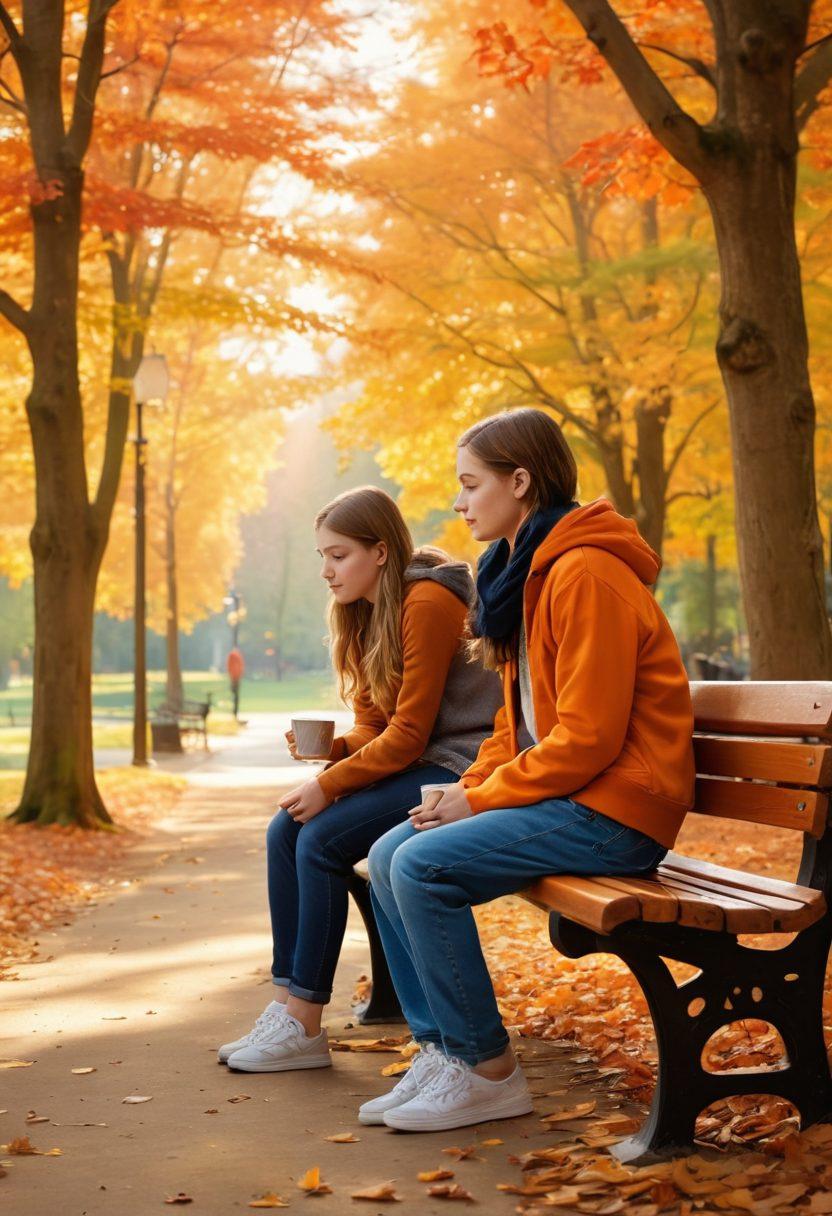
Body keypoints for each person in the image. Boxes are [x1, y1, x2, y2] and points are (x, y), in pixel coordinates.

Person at [364, 408, 696, 1132]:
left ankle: (487, 1071)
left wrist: (482, 803)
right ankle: (444, 1051)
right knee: (389, 852)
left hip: (619, 809)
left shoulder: (584, 573)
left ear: (520, 481)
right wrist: (467, 787)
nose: (459, 502)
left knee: (421, 866)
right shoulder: (523, 574)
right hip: (578, 796)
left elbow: (589, 739)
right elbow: (515, 727)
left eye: (470, 484)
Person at [218, 486, 501, 1073]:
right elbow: (376, 725)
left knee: (320, 840)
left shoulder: (427, 600)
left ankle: (304, 1022)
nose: (326, 570)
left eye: (339, 555)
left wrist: (330, 784)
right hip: (421, 761)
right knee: (286, 830)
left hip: (461, 765)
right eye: (322, 556)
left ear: (380, 551)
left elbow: (410, 735)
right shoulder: (366, 612)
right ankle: (287, 1007)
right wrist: (334, 751)